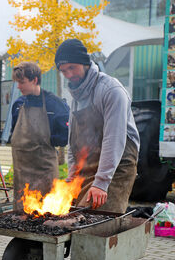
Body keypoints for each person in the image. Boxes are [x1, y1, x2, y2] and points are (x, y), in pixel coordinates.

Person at [55, 39, 140, 214]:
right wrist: (72, 176)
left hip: (116, 168)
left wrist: (101, 183)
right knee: (68, 215)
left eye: (72, 67)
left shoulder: (111, 90)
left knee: (93, 221)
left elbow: (114, 139)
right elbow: (74, 143)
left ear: (85, 63)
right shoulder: (76, 100)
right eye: (64, 71)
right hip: (89, 167)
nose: (69, 74)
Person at [10, 62, 69, 209]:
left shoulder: (54, 104)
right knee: (21, 215)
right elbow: (14, 133)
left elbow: (64, 137)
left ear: (35, 80)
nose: (18, 86)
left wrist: (49, 141)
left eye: (22, 82)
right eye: (17, 82)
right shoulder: (18, 105)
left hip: (45, 172)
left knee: (46, 213)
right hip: (21, 172)